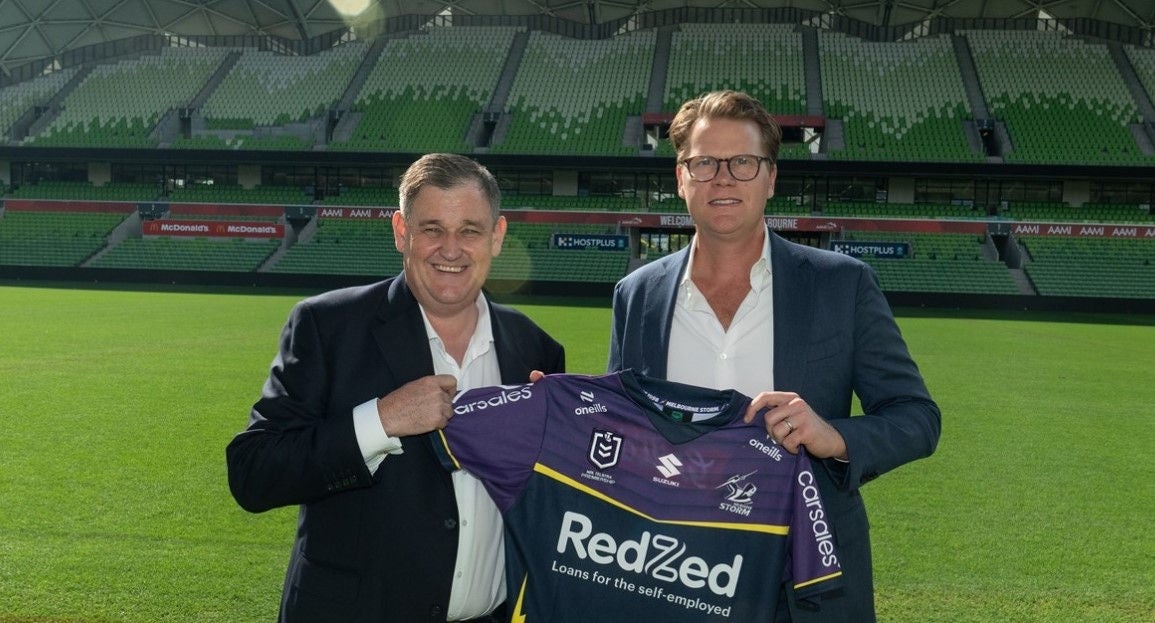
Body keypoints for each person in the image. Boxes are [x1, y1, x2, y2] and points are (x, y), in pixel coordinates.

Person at [606, 90, 940, 623]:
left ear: (771, 177)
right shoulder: (637, 294)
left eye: (743, 162)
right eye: (704, 162)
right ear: (680, 177)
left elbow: (917, 419)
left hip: (804, 580)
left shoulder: (842, 284)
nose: (723, 178)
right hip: (669, 575)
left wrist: (834, 438)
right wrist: (562, 413)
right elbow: (624, 432)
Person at [226, 153, 565, 623]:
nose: (451, 248)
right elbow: (253, 475)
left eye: (469, 230)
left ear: (497, 236)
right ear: (402, 233)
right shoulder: (327, 327)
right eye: (431, 229)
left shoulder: (537, 352)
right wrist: (379, 421)